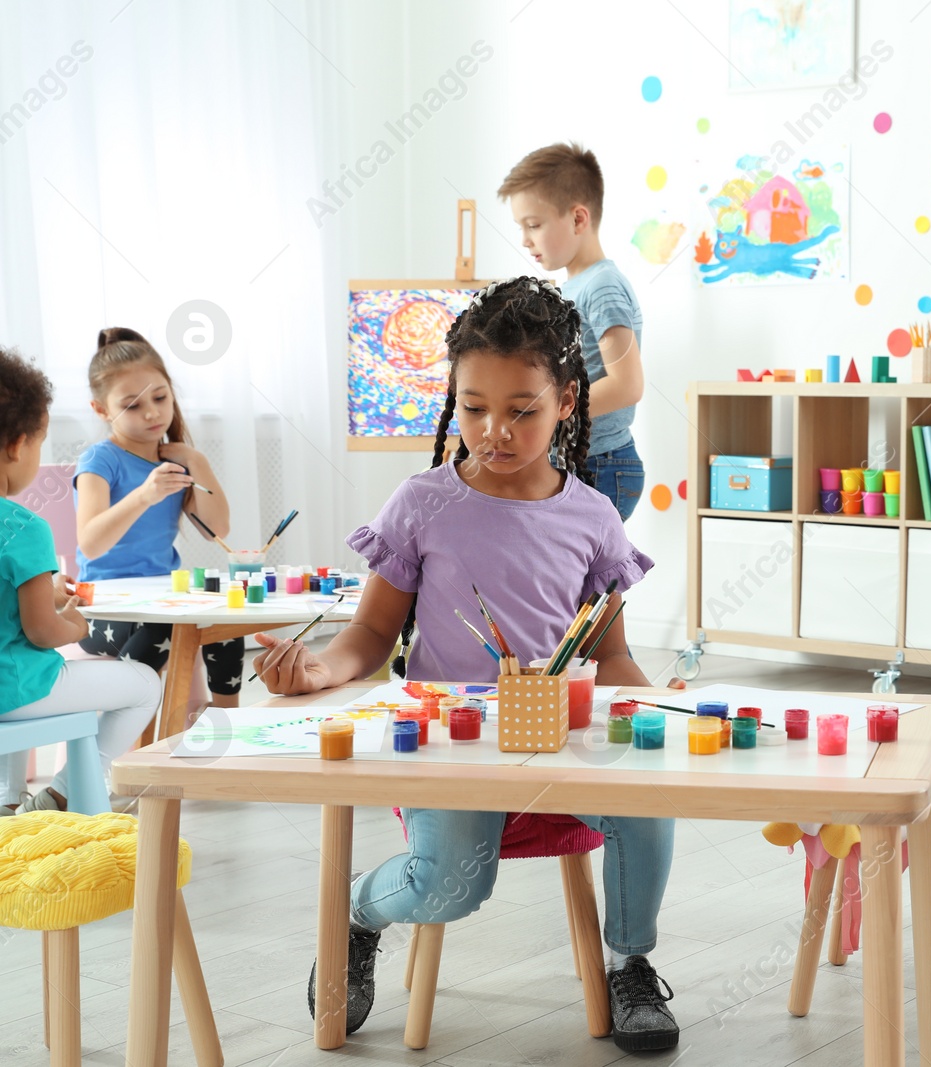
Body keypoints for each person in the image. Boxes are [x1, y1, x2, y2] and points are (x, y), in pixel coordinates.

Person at [252, 277, 679, 1052]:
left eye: (522, 409)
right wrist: (317, 671)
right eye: (474, 406)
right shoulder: (421, 503)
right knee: (450, 887)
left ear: (569, 402)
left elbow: (610, 653)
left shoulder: (591, 516)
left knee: (649, 803)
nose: (494, 430)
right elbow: (372, 633)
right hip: (450, 746)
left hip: (560, 742)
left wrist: (665, 710)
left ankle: (632, 962)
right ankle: (356, 914)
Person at [0, 346, 159, 814]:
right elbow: (42, 634)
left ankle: (9, 801)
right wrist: (73, 624)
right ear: (17, 445)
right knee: (145, 683)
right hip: (15, 690)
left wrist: (36, 594)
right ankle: (63, 791)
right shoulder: (24, 528)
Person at [74, 327, 244, 706]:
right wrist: (143, 496)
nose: (152, 412)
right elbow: (92, 543)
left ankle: (223, 722)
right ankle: (127, 729)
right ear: (101, 410)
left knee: (226, 619)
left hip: (162, 597)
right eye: (132, 406)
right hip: (100, 610)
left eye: (160, 397)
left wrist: (196, 461)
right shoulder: (100, 461)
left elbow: (218, 529)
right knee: (163, 627)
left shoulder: (174, 460)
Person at [499, 143, 646, 520]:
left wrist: (545, 412)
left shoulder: (603, 287)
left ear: (578, 219)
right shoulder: (572, 288)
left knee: (579, 577)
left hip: (602, 464)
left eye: (533, 225)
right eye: (521, 227)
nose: (525, 239)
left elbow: (627, 385)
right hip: (577, 459)